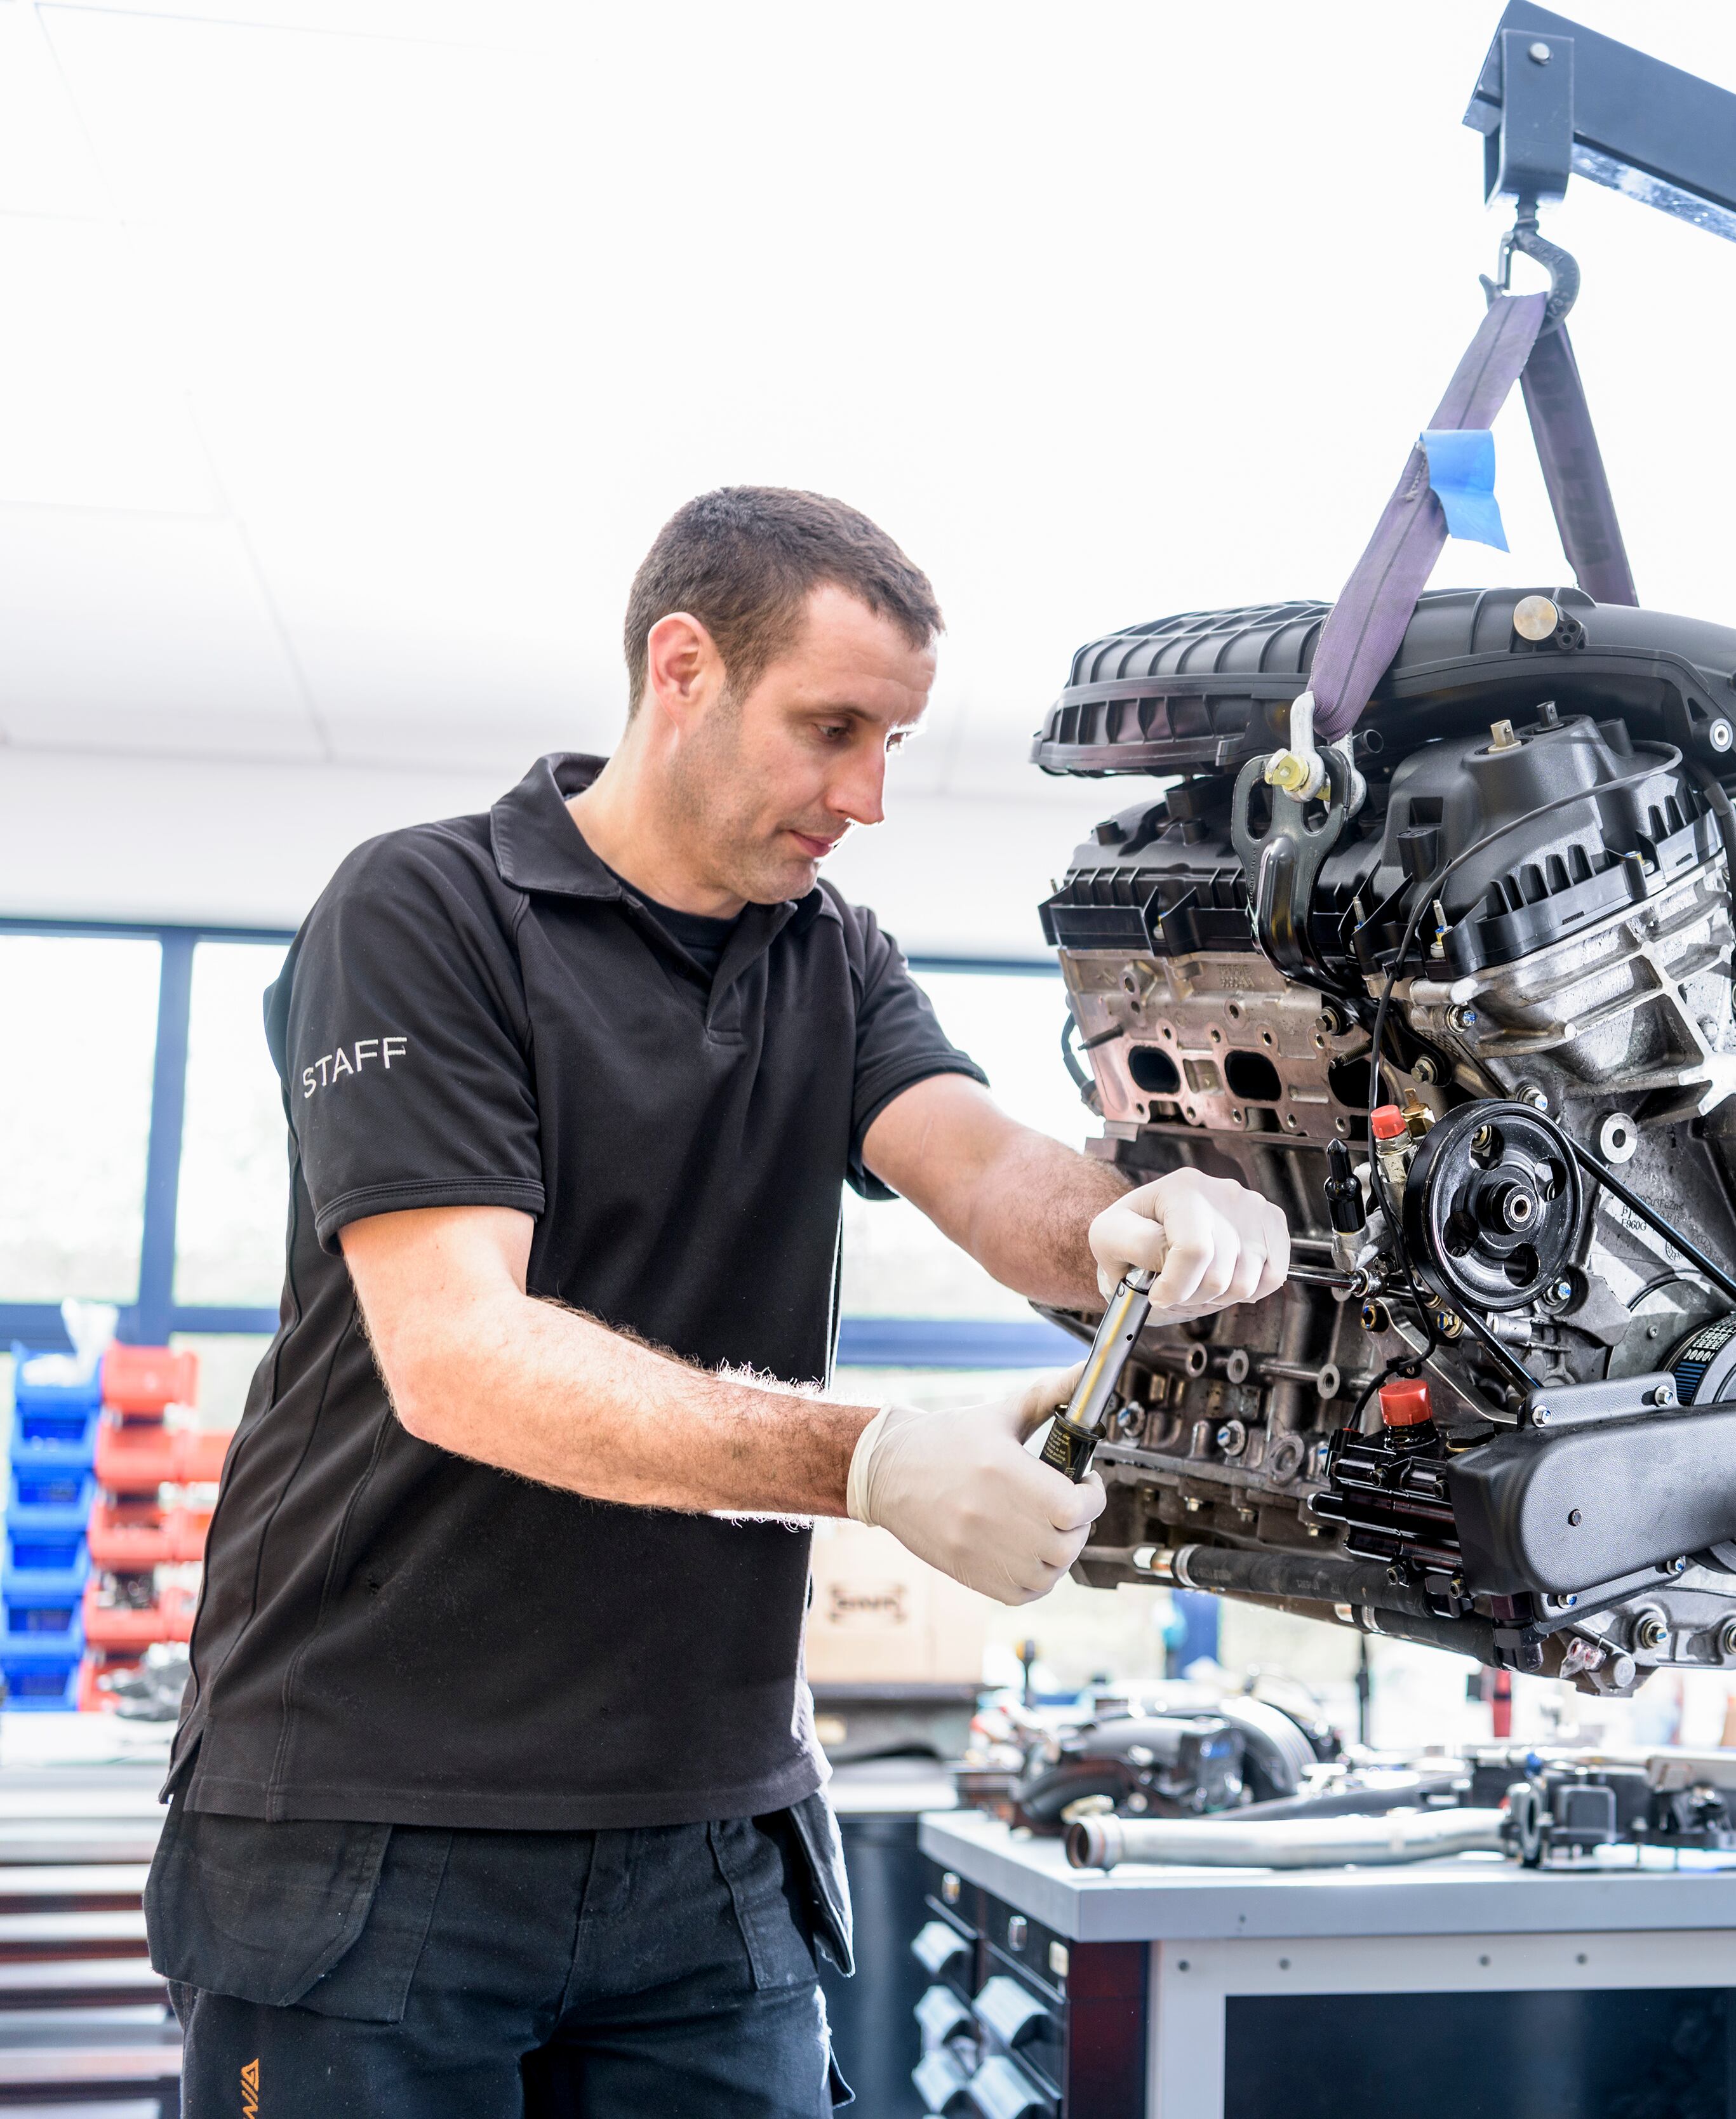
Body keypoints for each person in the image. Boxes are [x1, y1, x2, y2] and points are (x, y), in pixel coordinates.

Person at [145, 488, 1293, 2113]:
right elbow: (460, 1355)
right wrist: (874, 1461)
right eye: (831, 728)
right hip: (369, 1820)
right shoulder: (424, 911)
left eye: (892, 740)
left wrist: (1140, 1215)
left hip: (710, 1835)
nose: (868, 794)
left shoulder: (830, 957)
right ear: (681, 667)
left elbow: (981, 1172)